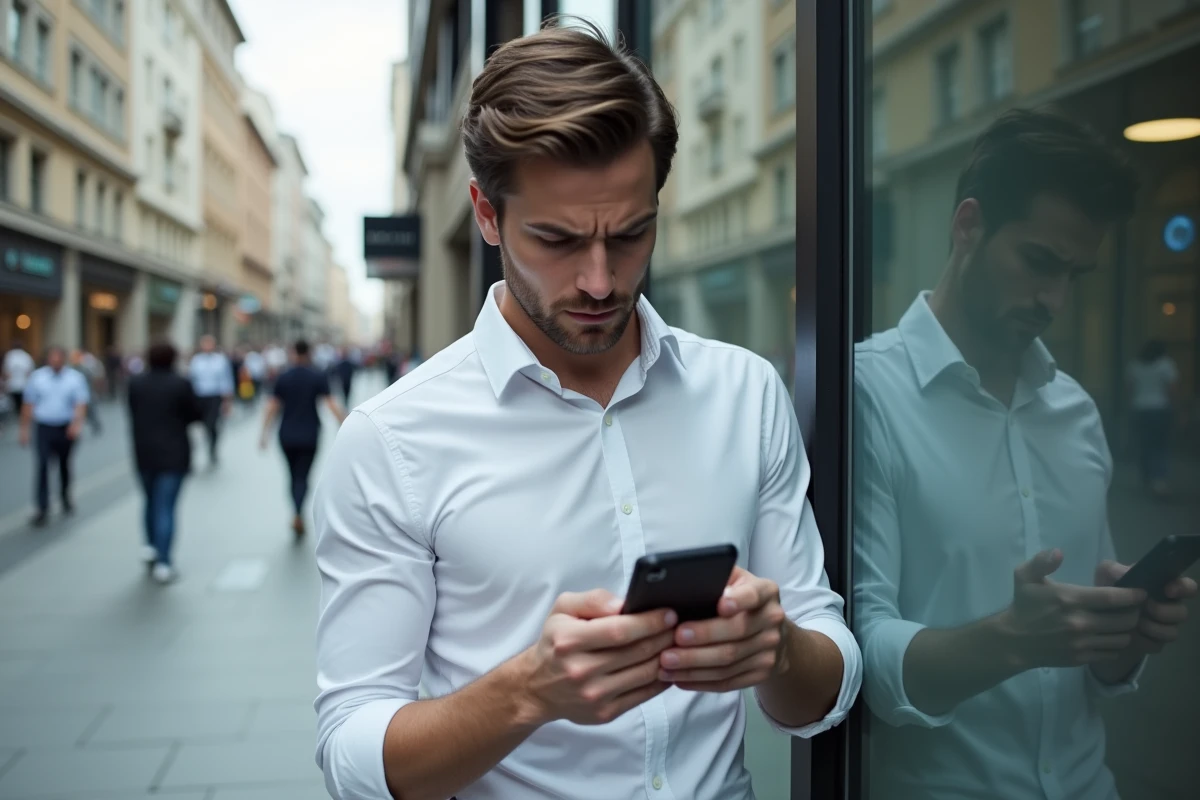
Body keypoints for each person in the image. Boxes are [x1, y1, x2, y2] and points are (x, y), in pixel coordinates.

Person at [312, 21, 861, 800]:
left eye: (631, 234)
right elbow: (352, 754)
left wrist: (777, 653)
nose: (601, 280)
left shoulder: (745, 393)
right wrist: (528, 691)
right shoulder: (392, 439)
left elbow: (826, 679)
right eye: (558, 240)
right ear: (486, 214)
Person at [852, 108, 1197, 799]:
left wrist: (1125, 634)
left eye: (1076, 274)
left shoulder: (1074, 410)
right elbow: (862, 656)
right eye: (1040, 262)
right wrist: (1012, 639)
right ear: (968, 225)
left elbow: (1083, 650)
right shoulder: (867, 392)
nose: (1055, 299)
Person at [127, 342, 203, 584]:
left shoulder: (136, 383)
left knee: (149, 501)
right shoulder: (181, 383)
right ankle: (164, 561)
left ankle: (150, 545)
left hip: (144, 452)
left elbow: (131, 412)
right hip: (174, 453)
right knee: (166, 506)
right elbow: (195, 414)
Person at [259, 339, 345, 538]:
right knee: (303, 476)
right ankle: (299, 511)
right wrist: (344, 422)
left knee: (292, 475)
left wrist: (264, 434)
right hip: (309, 433)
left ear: (293, 353)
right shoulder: (317, 376)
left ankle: (296, 511)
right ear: (310, 353)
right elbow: (330, 403)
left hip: (286, 434)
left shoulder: (283, 377)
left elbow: (272, 406)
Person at [19, 346, 90, 527]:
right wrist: (24, 429)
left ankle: (65, 496)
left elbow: (80, 403)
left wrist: (76, 425)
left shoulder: (75, 378)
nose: (55, 361)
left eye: (59, 358)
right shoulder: (38, 377)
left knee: (64, 464)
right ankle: (42, 506)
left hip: (65, 427)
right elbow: (29, 403)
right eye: (53, 358)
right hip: (44, 426)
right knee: (42, 465)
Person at [1127, 339, 1179, 497]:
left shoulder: (1135, 365)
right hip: (1159, 408)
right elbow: (1172, 389)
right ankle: (1159, 481)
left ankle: (1146, 477)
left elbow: (1129, 388)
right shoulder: (1166, 365)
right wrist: (1178, 408)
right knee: (1160, 445)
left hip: (1139, 408)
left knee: (1144, 444)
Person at [187, 335, 234, 467]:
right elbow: (191, 379)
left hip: (214, 397)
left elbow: (226, 381)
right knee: (196, 426)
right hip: (199, 397)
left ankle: (212, 449)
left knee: (211, 425)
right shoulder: (196, 360)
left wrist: (227, 402)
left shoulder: (220, 360)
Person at [3, 339, 36, 418]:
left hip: (12, 385)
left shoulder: (9, 355)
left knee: (14, 406)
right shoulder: (26, 356)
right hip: (24, 385)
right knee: (22, 404)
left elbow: (6, 372)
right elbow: (30, 372)